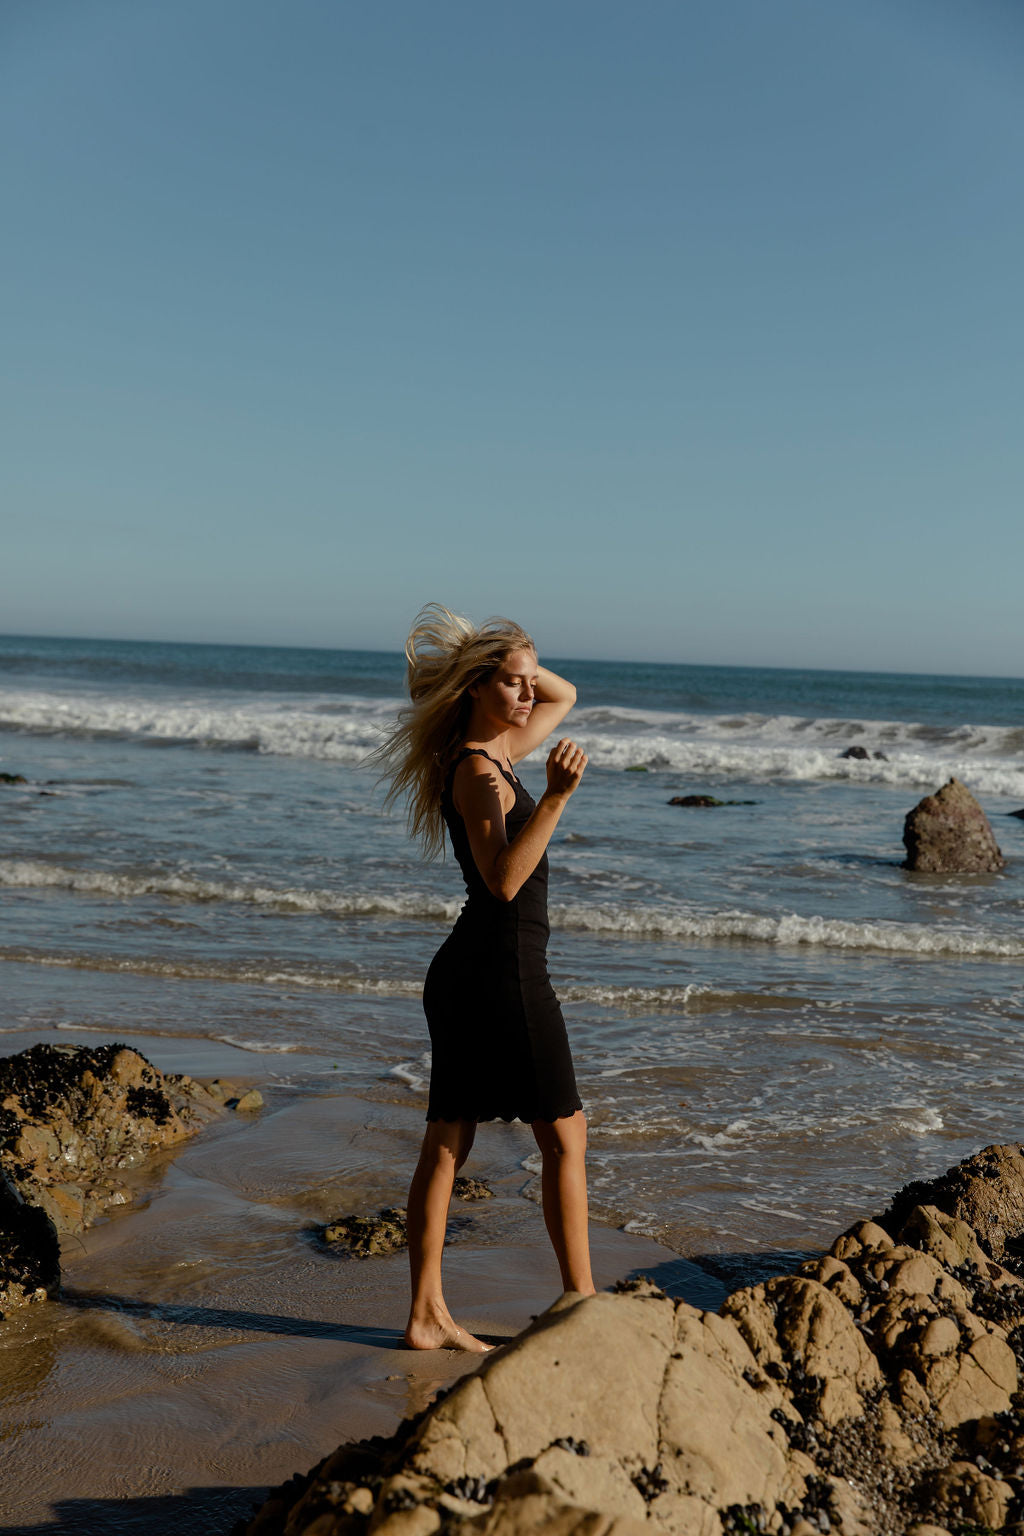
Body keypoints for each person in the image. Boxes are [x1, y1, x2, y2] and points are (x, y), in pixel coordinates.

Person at [375, 603, 595, 1351]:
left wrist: (512, 660)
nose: (529, 697)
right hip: (498, 973)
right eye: (510, 685)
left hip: (480, 970)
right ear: (475, 689)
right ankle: (579, 1301)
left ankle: (426, 1314)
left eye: (527, 682)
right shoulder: (479, 772)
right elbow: (502, 882)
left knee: (449, 1141)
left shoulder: (497, 745)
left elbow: (563, 696)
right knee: (564, 1135)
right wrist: (558, 799)